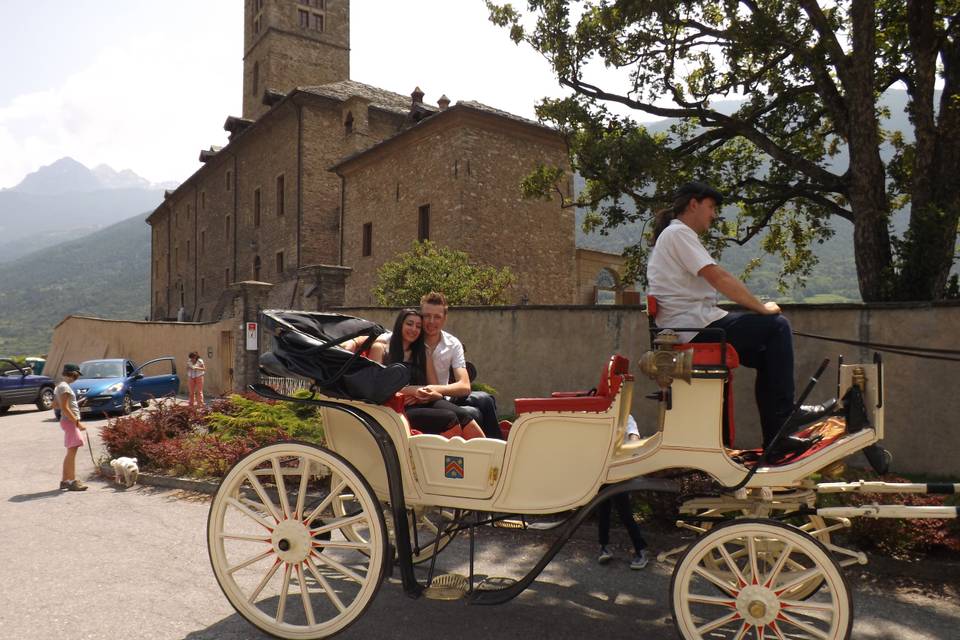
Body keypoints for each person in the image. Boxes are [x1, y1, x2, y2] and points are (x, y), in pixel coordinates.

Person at [647, 181, 835, 447]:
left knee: (767, 353)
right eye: (711, 207)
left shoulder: (674, 235)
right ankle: (783, 418)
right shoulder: (678, 234)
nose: (714, 214)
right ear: (693, 204)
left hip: (692, 327)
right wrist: (761, 307)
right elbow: (719, 277)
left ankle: (777, 435)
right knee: (777, 326)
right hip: (695, 331)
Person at [371, 309, 484, 439]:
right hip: (398, 407)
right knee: (449, 418)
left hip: (423, 400)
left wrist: (429, 394)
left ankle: (490, 457)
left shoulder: (423, 352)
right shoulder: (380, 348)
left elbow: (434, 385)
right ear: (400, 324)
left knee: (464, 416)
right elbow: (376, 386)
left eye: (418, 326)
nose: (413, 329)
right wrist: (412, 391)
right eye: (409, 324)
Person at [416, 292, 503, 439]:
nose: (431, 321)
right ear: (420, 316)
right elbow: (383, 339)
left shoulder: (452, 343)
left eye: (437, 317)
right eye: (426, 316)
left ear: (444, 319)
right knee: (473, 412)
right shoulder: (410, 336)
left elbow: (464, 386)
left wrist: (436, 389)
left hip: (444, 395)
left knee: (486, 399)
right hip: (424, 400)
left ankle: (499, 449)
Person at [597, 415, 649, 569]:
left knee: (625, 513)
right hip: (602, 470)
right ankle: (603, 547)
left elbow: (634, 433)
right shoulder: (602, 414)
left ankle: (641, 550)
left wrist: (631, 447)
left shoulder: (625, 416)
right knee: (603, 510)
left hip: (618, 470)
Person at [55, 363, 88, 491]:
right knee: (72, 452)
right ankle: (72, 481)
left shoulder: (59, 386)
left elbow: (55, 405)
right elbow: (64, 407)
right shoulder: (65, 388)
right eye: (77, 375)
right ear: (73, 374)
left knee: (70, 451)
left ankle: (65, 481)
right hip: (70, 422)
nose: (77, 377)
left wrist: (75, 404)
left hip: (66, 421)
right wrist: (77, 422)